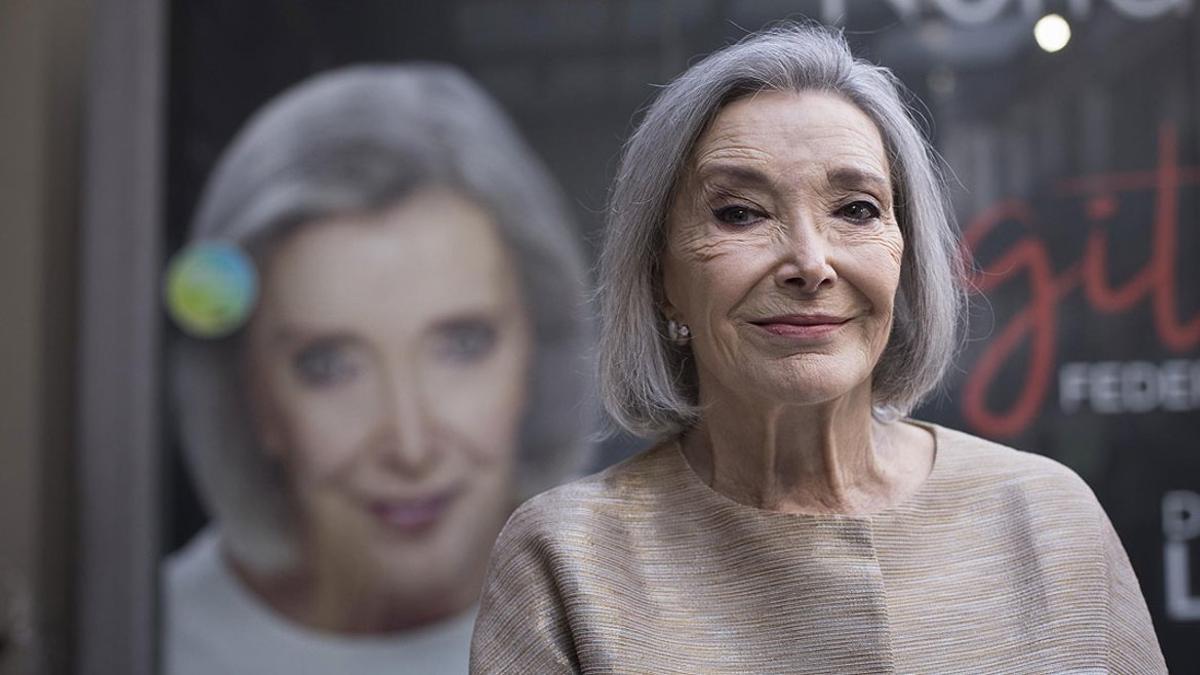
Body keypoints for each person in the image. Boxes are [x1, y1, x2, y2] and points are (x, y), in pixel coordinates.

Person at [470, 24, 1166, 674]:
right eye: (739, 212)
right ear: (661, 279)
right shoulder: (568, 562)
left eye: (856, 209)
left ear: (905, 257)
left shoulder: (1047, 520)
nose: (809, 261)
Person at [163, 64, 592, 675]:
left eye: (463, 345)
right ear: (251, 397)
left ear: (537, 352)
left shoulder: (648, 620)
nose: (410, 446)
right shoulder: (138, 633)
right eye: (328, 365)